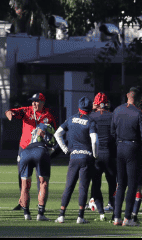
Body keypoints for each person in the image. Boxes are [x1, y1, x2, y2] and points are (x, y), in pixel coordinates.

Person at [5, 92, 57, 210]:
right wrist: (9, 113)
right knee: (22, 175)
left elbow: (54, 132)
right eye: (32, 101)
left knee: (41, 177)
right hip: (24, 148)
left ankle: (41, 204)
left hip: (39, 150)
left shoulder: (48, 116)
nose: (33, 103)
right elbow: (12, 111)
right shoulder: (27, 111)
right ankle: (22, 202)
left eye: (36, 101)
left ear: (42, 102)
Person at [54, 96, 99, 224]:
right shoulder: (91, 121)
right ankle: (80, 217)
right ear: (90, 109)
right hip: (86, 157)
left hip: (73, 157)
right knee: (83, 187)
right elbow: (94, 140)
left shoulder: (70, 119)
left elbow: (57, 134)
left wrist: (65, 149)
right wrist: (95, 155)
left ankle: (61, 215)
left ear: (79, 108)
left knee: (69, 186)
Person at [110, 86, 142, 227]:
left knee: (120, 184)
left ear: (128, 95)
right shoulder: (140, 113)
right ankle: (127, 218)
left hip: (120, 147)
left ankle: (116, 217)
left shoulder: (117, 110)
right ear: (139, 99)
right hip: (133, 148)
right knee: (132, 184)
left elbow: (112, 132)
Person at [18, 123, 57, 221]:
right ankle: (40, 213)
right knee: (43, 183)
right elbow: (51, 143)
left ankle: (26, 214)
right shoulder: (47, 130)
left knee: (24, 185)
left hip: (25, 152)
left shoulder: (35, 131)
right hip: (40, 150)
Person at [89, 92, 116, 220]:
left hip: (96, 154)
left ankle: (99, 209)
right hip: (110, 154)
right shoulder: (112, 115)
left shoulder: (91, 116)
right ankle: (113, 206)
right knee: (112, 182)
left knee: (96, 182)